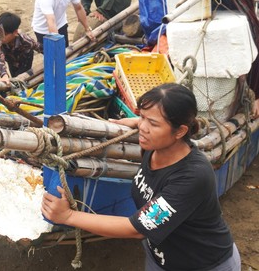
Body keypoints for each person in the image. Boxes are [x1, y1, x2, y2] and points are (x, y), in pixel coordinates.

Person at [42, 83, 241, 271]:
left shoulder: (192, 176)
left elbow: (137, 228)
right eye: (142, 117)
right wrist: (140, 121)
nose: (143, 128)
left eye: (153, 123)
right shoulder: (155, 147)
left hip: (204, 265)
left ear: (180, 131)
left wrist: (69, 216)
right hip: (160, 260)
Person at [0, 12, 42, 84]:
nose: (1, 37)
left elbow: (39, 48)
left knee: (23, 78)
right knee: (13, 75)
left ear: (15, 32)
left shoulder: (26, 41)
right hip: (10, 59)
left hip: (25, 59)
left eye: (5, 34)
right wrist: (4, 75)